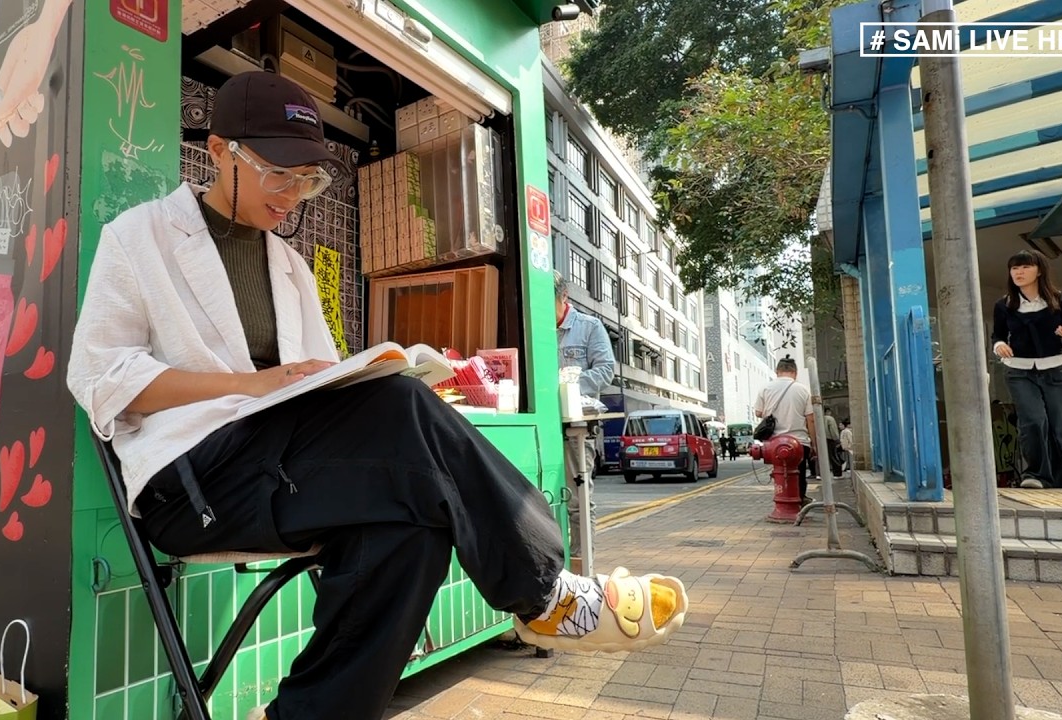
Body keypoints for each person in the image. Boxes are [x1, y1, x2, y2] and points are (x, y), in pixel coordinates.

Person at [66, 71, 687, 720]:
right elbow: (100, 379)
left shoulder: (289, 266)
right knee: (403, 413)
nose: (293, 194)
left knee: (411, 522)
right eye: (279, 173)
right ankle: (545, 594)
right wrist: (247, 384)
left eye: (308, 178)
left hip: (277, 470)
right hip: (194, 480)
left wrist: (354, 379)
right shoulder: (141, 238)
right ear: (220, 152)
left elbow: (324, 399)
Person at [991, 250, 1062, 489]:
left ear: (1039, 270)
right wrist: (999, 346)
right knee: (1032, 420)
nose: (1018, 273)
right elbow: (997, 336)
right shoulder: (1004, 305)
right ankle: (1036, 475)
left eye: (1025, 267)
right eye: (1014, 268)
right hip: (1019, 370)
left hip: (1055, 367)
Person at [554, 273, 615, 557]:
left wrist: (562, 387)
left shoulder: (590, 327)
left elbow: (605, 371)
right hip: (545, 424)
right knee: (548, 499)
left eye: (548, 301)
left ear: (564, 296)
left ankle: (581, 565)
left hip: (576, 426)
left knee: (578, 500)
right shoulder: (535, 325)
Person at [753, 357, 815, 502]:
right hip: (799, 442)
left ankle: (782, 500)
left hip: (774, 444)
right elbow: (811, 419)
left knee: (780, 472)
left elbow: (758, 412)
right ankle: (799, 500)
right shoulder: (803, 389)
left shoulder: (765, 388)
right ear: (795, 372)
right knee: (799, 474)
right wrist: (814, 443)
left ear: (777, 371)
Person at [823, 407, 843, 476]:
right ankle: (838, 473)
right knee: (834, 456)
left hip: (823, 440)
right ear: (828, 411)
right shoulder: (830, 419)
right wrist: (836, 439)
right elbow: (833, 430)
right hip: (831, 439)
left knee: (828, 457)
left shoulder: (819, 418)